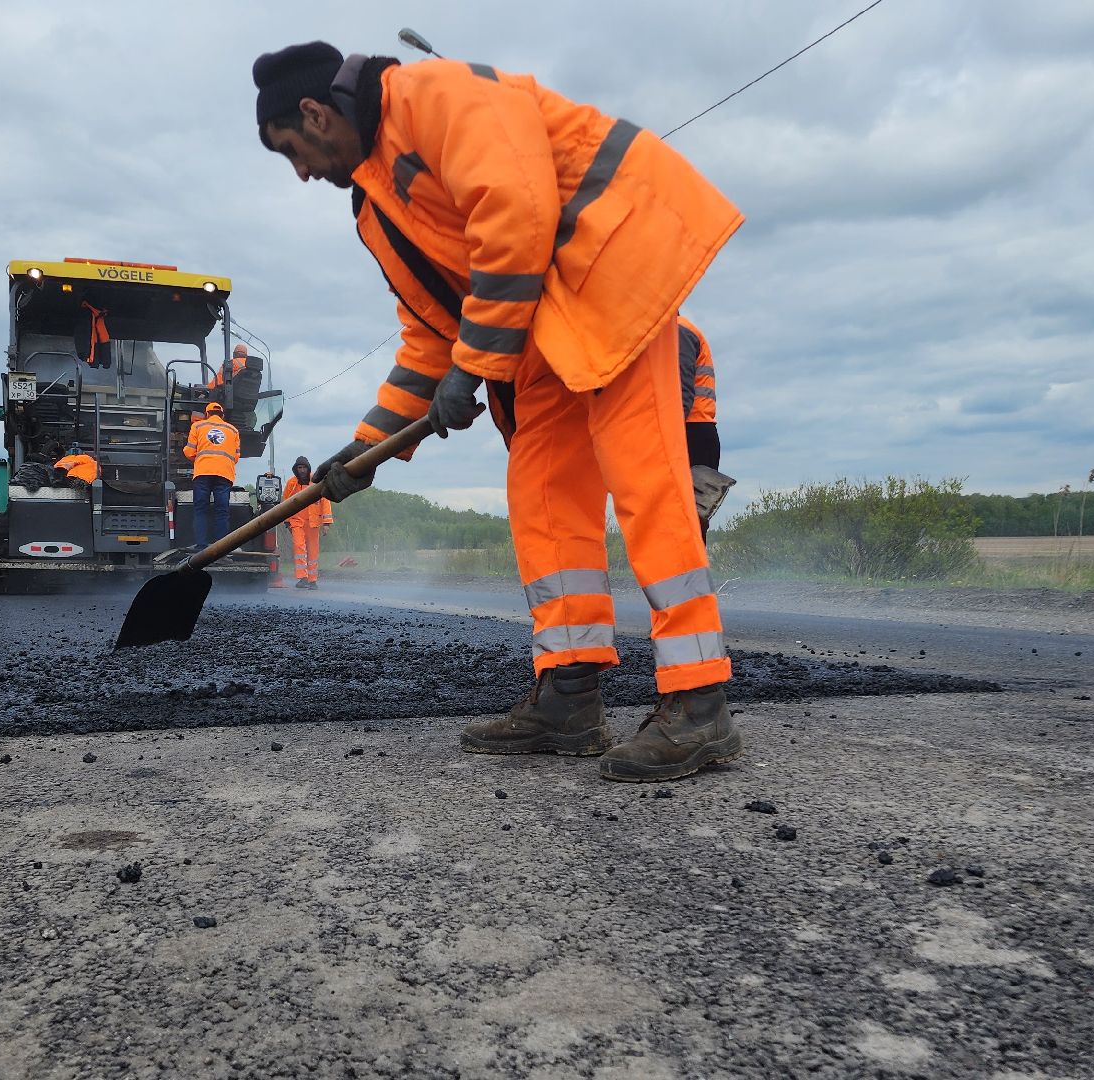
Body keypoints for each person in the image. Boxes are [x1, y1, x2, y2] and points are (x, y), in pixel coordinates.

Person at [254, 42, 745, 782]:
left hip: (611, 274)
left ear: (317, 114)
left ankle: (698, 704)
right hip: (538, 329)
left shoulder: (432, 94)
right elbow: (427, 336)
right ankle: (570, 694)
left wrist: (474, 362)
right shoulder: (375, 208)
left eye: (293, 150)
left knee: (647, 485)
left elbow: (516, 210)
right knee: (541, 496)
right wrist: (364, 448)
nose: (301, 172)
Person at [677, 315, 735, 538]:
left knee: (690, 516)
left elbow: (681, 392)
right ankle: (689, 570)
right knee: (689, 516)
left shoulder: (678, 331)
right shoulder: (679, 330)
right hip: (696, 430)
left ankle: (690, 571)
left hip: (691, 431)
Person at [183, 402, 240, 548]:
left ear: (207, 414)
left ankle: (201, 546)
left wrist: (201, 458)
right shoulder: (233, 430)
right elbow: (236, 457)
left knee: (201, 509)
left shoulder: (198, 426)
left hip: (203, 473)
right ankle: (220, 548)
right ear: (222, 415)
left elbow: (189, 452)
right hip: (224, 474)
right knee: (222, 511)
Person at [281, 455, 333, 589]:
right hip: (296, 522)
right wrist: (287, 521)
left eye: (304, 467)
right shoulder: (291, 484)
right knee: (299, 548)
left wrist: (326, 523)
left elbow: (325, 501)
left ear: (308, 468)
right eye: (299, 467)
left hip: (313, 522)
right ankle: (302, 578)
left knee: (313, 552)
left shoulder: (317, 482)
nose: (302, 470)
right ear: (296, 469)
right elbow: (285, 503)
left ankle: (312, 580)